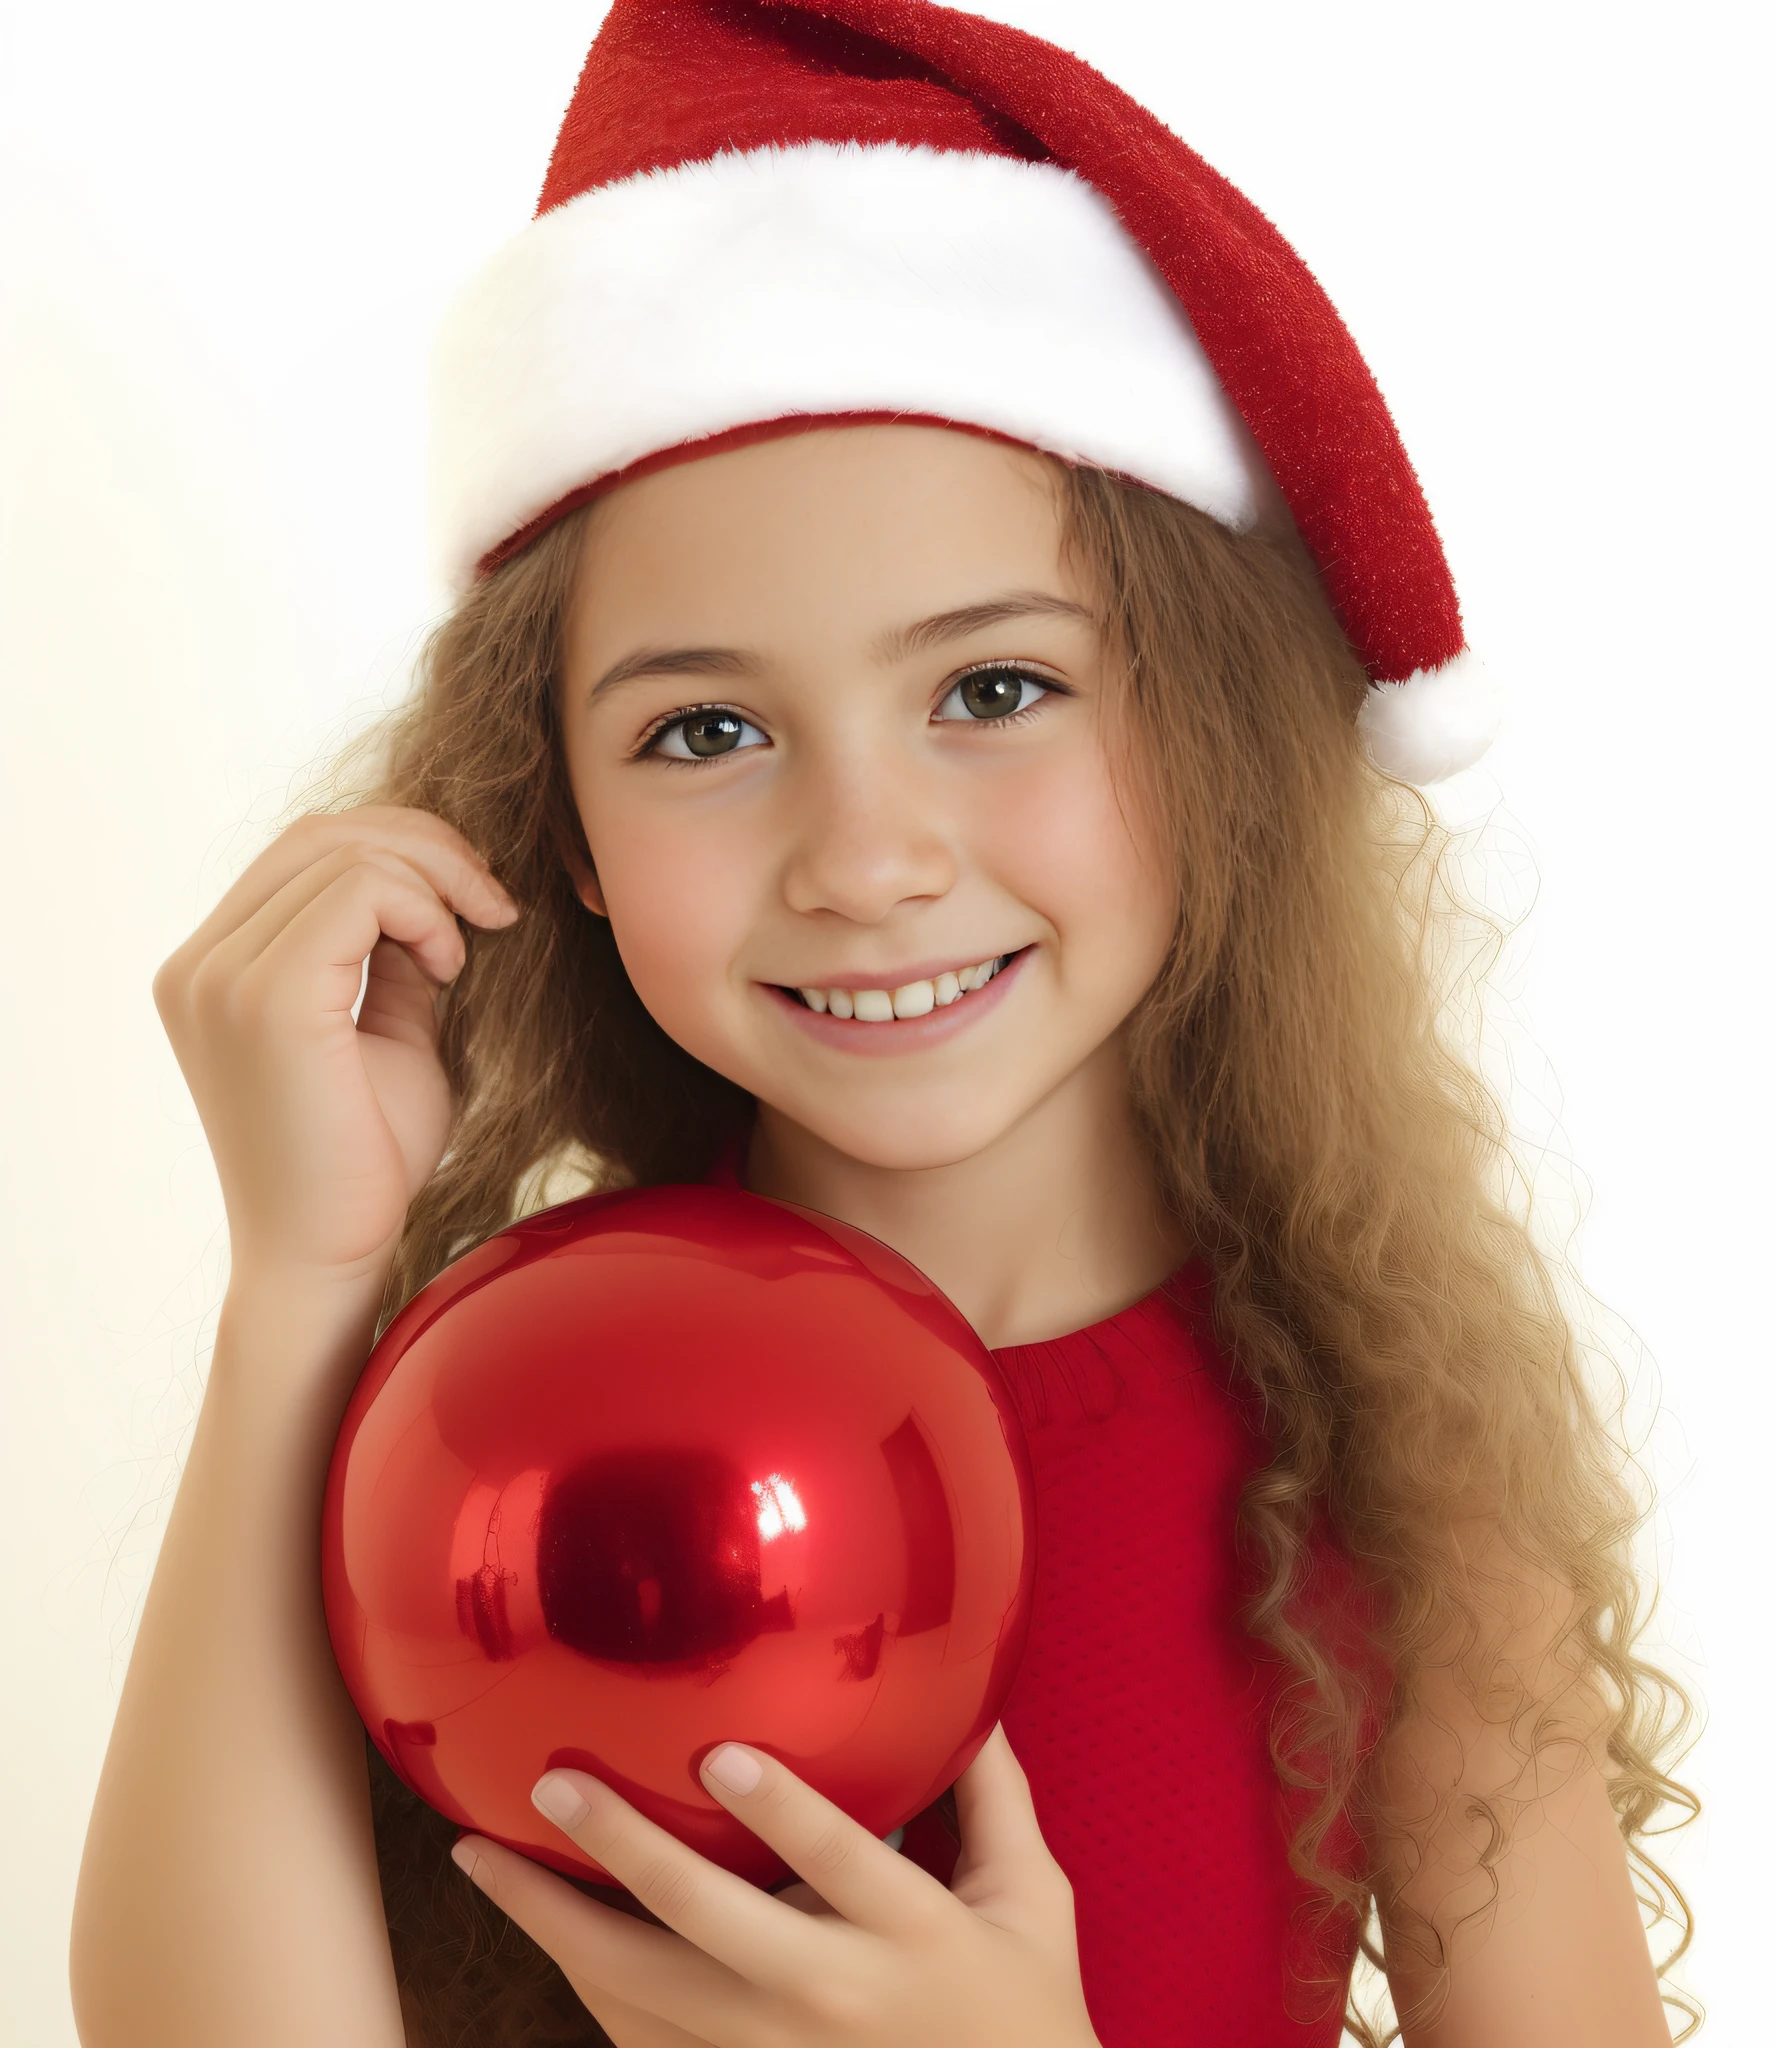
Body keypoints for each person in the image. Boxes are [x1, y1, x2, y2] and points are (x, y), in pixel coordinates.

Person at [68, 3, 1698, 2045]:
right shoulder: (499, 1422)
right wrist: (303, 1282)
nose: (866, 857)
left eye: (994, 690)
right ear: (558, 827)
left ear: (1208, 729)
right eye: (709, 730)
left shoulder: (1387, 1460)